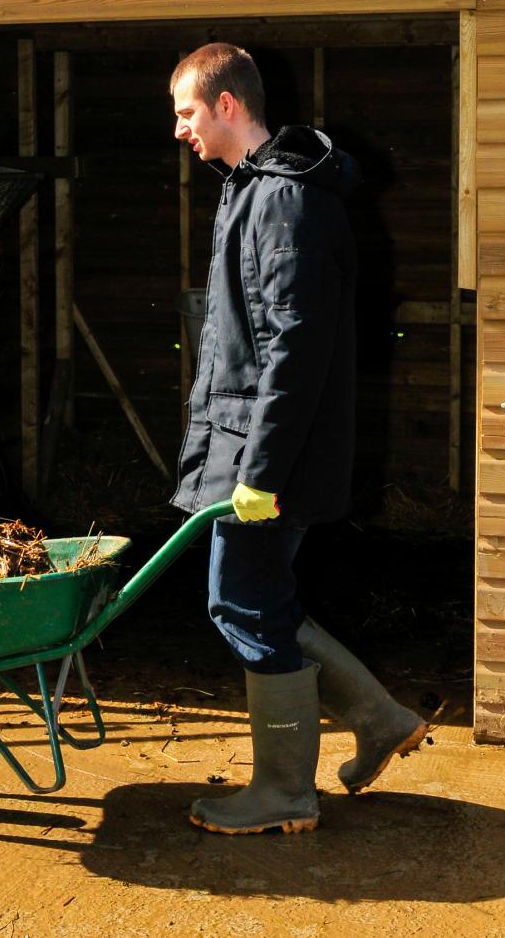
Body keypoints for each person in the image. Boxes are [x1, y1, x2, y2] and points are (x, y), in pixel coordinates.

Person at [169, 43, 428, 835]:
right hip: (250, 446)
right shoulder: (251, 192)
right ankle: (378, 718)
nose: (180, 129)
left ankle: (285, 791)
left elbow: (296, 344)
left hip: (268, 457)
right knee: (255, 599)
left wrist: (260, 470)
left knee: (240, 602)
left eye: (186, 111)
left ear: (226, 106)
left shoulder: (284, 201)